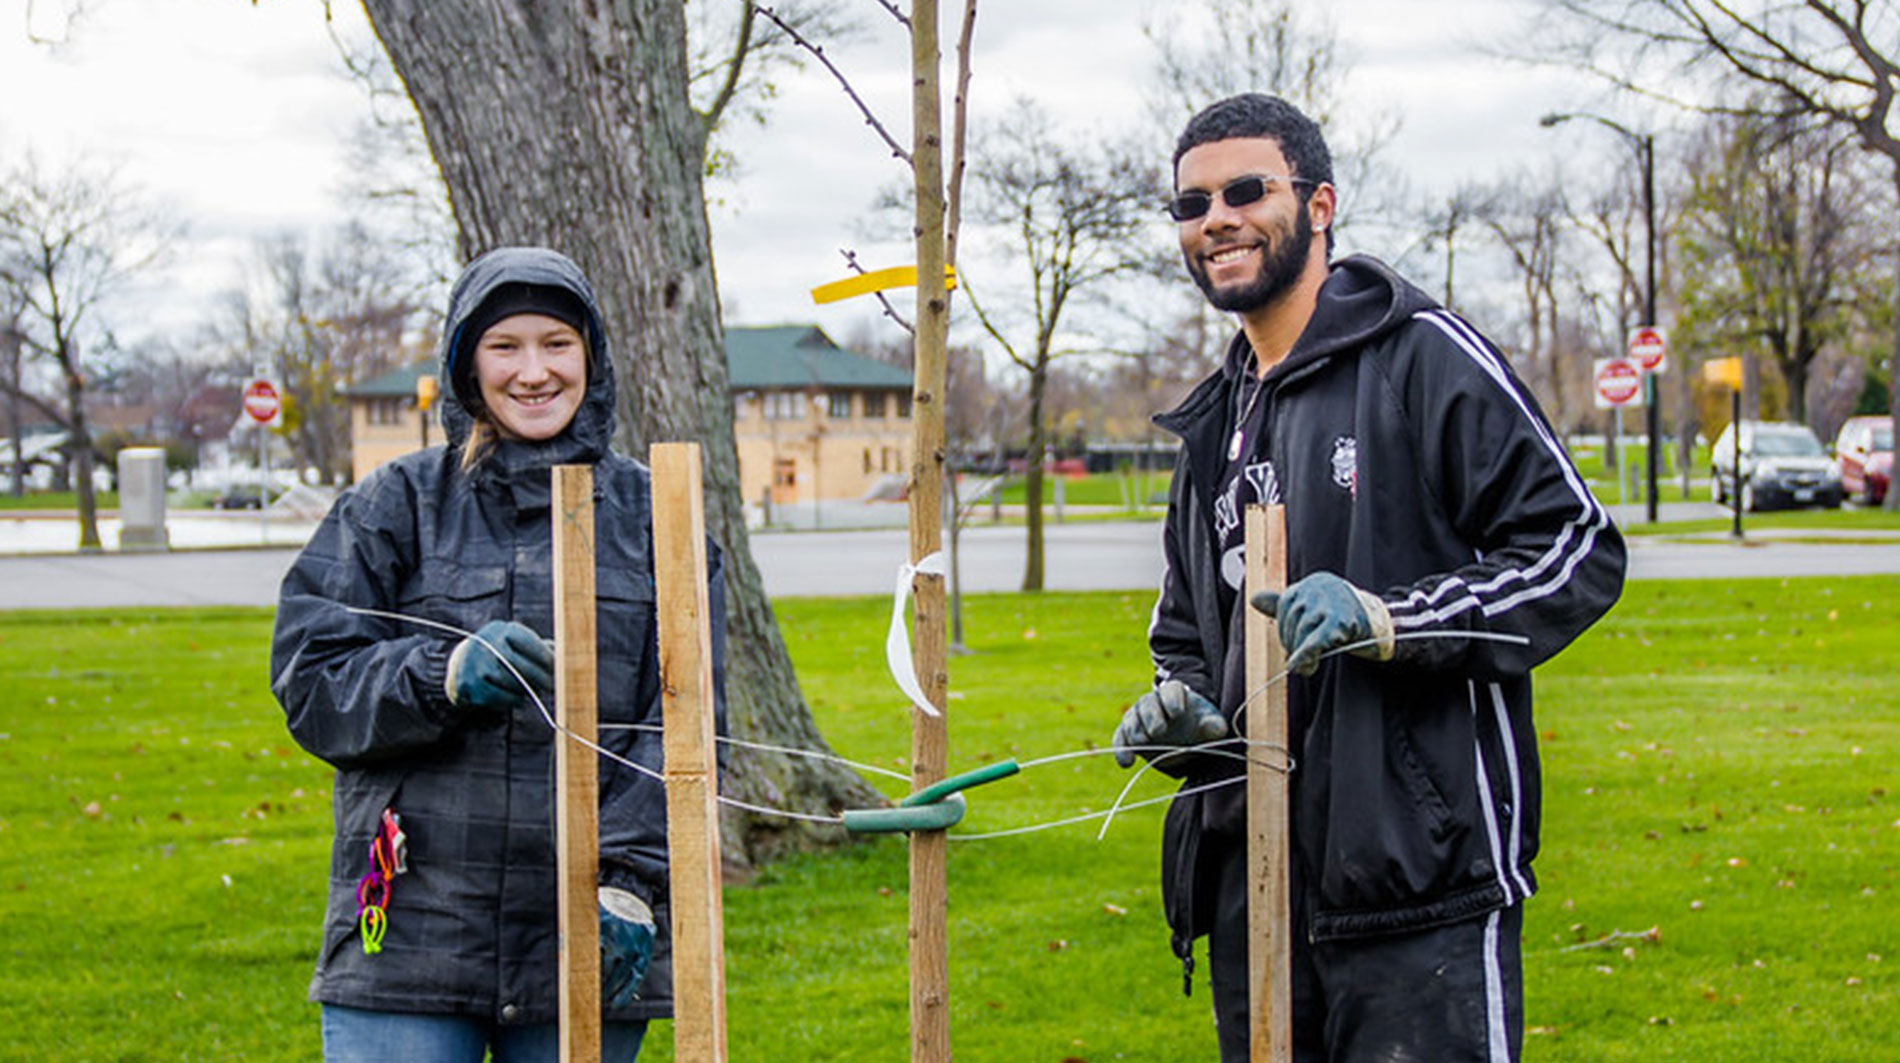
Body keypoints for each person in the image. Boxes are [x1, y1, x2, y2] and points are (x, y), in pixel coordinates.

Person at [1111, 94, 1626, 1062]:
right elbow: (1185, 631)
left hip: (1415, 890)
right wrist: (1182, 715)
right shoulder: (1213, 425)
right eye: (1191, 203)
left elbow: (1575, 547)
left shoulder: (1418, 356)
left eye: (1245, 190)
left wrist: (1391, 619)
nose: (1214, 217)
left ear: (1318, 205)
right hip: (1254, 892)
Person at [272, 246, 723, 1062]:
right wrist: (438, 676)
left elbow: (687, 724)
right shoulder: (395, 505)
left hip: (586, 932)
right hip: (413, 932)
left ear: (591, 355)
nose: (533, 371)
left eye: (556, 342)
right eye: (503, 346)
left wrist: (628, 880)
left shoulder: (658, 517)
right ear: (465, 364)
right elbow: (313, 680)